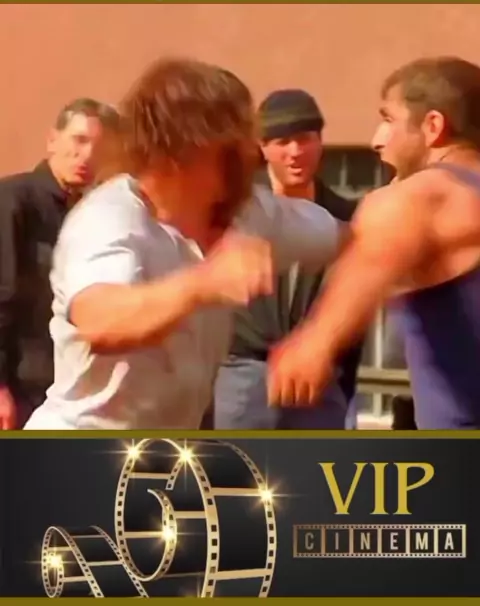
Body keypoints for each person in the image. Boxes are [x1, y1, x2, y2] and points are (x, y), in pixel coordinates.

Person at [24, 58, 346, 431]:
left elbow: (361, 242)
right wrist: (204, 283)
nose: (251, 155)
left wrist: (321, 336)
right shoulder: (109, 216)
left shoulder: (249, 210)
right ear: (186, 149)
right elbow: (101, 320)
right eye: (235, 144)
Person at [268, 57, 480, 430]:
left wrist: (317, 341)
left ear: (433, 126)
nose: (377, 140)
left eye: (388, 119)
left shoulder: (424, 194)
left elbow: (375, 258)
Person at [213, 88, 361, 429]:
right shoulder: (239, 210)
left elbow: (358, 305)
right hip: (243, 376)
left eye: (305, 139)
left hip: (319, 380)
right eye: (282, 142)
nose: (295, 152)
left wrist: (342, 381)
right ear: (262, 147)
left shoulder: (346, 217)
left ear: (320, 142)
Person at [0, 98, 121, 429]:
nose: (87, 156)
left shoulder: (93, 214)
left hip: (68, 389)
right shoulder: (13, 201)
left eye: (99, 148)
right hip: (20, 387)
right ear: (52, 140)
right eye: (79, 141)